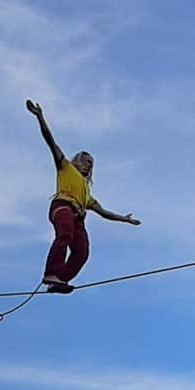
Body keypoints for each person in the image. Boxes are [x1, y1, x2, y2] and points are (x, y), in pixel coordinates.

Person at [26, 99, 140, 291]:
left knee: (82, 252)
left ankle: (59, 280)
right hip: (62, 206)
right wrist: (40, 117)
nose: (89, 166)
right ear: (77, 161)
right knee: (65, 235)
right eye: (86, 162)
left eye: (92, 164)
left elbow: (103, 212)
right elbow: (50, 142)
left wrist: (124, 219)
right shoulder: (65, 167)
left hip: (78, 216)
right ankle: (51, 273)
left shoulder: (87, 193)